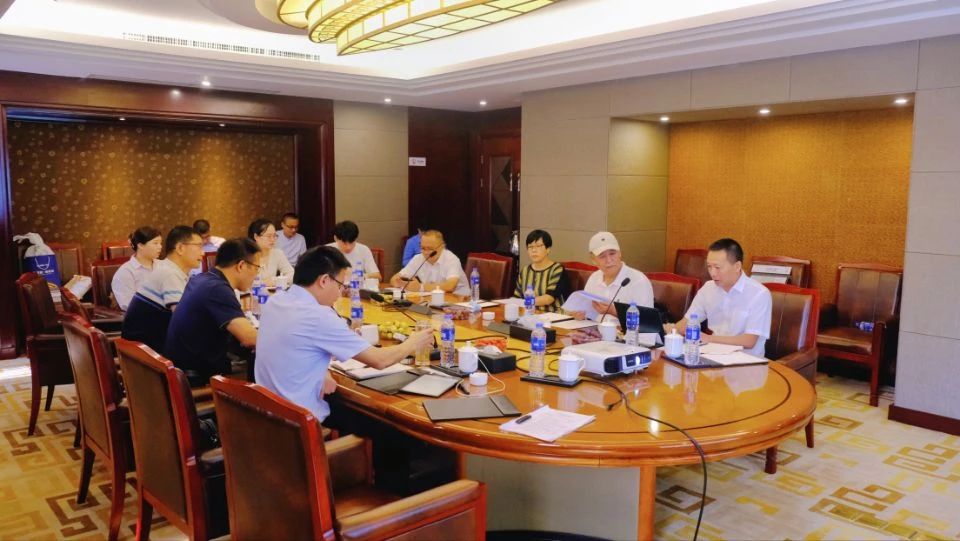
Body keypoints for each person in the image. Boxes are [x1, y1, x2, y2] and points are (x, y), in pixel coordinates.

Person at [255, 246, 434, 422]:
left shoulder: (276, 301)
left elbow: (296, 347)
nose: (340, 293)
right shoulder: (318, 316)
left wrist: (322, 371)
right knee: (391, 422)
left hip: (268, 417)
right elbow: (380, 360)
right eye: (340, 285)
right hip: (301, 424)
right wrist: (413, 343)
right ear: (324, 280)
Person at [164, 238, 260, 387]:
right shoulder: (217, 289)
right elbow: (249, 338)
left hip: (179, 370)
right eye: (257, 268)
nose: (257, 274)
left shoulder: (203, 278)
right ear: (241, 266)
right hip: (194, 380)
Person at [671, 238, 772, 357]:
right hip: (711, 355)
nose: (712, 273)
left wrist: (709, 338)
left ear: (737, 266)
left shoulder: (759, 294)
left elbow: (749, 341)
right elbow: (687, 321)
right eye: (709, 266)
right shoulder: (708, 288)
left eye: (717, 267)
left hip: (746, 361)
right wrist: (672, 332)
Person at [121, 225, 204, 353]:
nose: (203, 253)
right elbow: (184, 319)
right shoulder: (169, 273)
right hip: (147, 354)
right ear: (180, 248)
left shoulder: (168, 268)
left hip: (148, 348)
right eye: (199, 247)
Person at [570, 231, 654, 322]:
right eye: (602, 256)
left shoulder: (638, 281)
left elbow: (648, 320)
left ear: (620, 253)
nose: (609, 260)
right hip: (595, 329)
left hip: (626, 331)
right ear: (593, 260)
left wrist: (614, 311)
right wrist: (581, 315)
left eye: (612, 253)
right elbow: (587, 312)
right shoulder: (594, 278)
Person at [389, 230, 470, 296]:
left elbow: (450, 286)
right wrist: (402, 283)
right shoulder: (418, 258)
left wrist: (420, 287)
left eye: (430, 249)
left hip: (459, 300)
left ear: (442, 246)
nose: (426, 252)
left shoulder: (451, 259)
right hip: (432, 299)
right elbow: (393, 279)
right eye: (423, 248)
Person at [513, 229, 568, 312]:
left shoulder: (556, 269)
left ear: (548, 249)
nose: (534, 250)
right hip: (530, 314)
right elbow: (517, 296)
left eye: (538, 246)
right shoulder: (525, 271)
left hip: (554, 315)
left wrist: (527, 302)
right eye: (530, 247)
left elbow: (549, 298)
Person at [111, 226, 162, 310]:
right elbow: (129, 305)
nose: (160, 247)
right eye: (155, 243)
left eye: (160, 243)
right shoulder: (125, 272)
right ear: (140, 245)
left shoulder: (163, 265)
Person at [247, 218, 294, 288]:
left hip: (273, 293)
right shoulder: (246, 256)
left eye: (274, 236)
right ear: (256, 237)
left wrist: (275, 281)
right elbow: (243, 282)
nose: (272, 240)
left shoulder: (277, 253)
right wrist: (263, 283)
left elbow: (291, 273)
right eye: (269, 236)